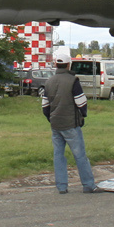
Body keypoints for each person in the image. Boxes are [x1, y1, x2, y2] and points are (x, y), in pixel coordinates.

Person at [42, 47, 97, 193]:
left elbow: (45, 107)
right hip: (71, 124)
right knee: (80, 156)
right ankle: (88, 184)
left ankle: (61, 187)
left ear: (55, 64)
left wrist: (51, 118)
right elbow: (81, 103)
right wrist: (82, 117)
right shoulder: (73, 81)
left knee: (58, 156)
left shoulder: (49, 82)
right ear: (69, 65)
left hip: (55, 125)